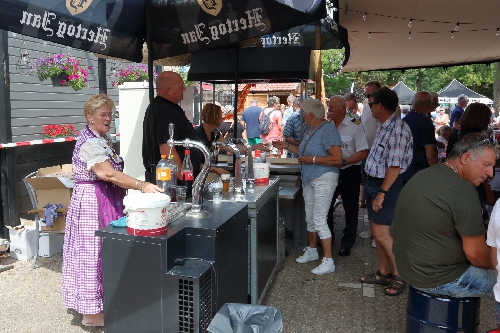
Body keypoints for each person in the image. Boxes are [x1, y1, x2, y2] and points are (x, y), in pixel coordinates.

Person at [62, 94, 163, 327]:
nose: (108, 119)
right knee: (93, 253)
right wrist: (142, 185)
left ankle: (106, 303)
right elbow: (107, 174)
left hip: (105, 198)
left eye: (110, 114)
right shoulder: (89, 143)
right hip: (91, 203)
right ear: (90, 117)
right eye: (103, 115)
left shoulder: (101, 138)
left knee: (107, 250)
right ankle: (92, 314)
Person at [394, 132, 497, 300]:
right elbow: (476, 255)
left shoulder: (425, 174)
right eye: (486, 164)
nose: (490, 173)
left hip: (408, 269)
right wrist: (497, 263)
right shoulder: (463, 191)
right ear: (465, 158)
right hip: (438, 278)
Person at [273, 99, 343, 275]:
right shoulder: (311, 130)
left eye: (304, 112)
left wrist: (312, 160)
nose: (302, 115)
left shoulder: (327, 129)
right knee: (310, 217)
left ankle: (328, 260)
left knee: (319, 218)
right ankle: (312, 250)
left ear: (311, 114)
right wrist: (286, 146)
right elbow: (303, 153)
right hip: (310, 178)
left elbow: (337, 159)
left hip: (324, 178)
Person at [358, 87, 413, 296]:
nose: (369, 107)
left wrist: (382, 192)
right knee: (377, 231)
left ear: (380, 106)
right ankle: (384, 272)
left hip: (386, 185)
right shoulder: (385, 126)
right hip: (376, 183)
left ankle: (399, 274)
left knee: (382, 232)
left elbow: (395, 166)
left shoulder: (397, 129)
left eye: (371, 104)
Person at [142, 71, 203, 183]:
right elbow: (167, 148)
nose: (184, 89)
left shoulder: (165, 107)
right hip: (171, 182)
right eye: (181, 87)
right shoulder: (165, 110)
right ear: (169, 90)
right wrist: (182, 179)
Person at [326, 96, 369, 256]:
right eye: (328, 107)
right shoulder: (327, 125)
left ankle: (347, 242)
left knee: (350, 209)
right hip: (330, 171)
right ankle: (328, 239)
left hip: (349, 171)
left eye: (331, 107)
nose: (328, 109)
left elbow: (363, 152)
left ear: (342, 109)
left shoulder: (355, 126)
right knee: (326, 206)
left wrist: (344, 162)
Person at [358, 81, 381, 237]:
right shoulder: (366, 108)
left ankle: (379, 231)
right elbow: (361, 126)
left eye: (373, 94)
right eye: (368, 95)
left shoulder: (391, 109)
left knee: (380, 192)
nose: (370, 97)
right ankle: (372, 228)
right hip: (367, 155)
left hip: (381, 156)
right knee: (368, 190)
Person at [402, 91, 438, 184]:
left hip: (405, 167)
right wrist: (437, 171)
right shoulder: (426, 123)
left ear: (413, 102)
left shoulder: (404, 120)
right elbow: (430, 154)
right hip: (420, 169)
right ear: (429, 105)